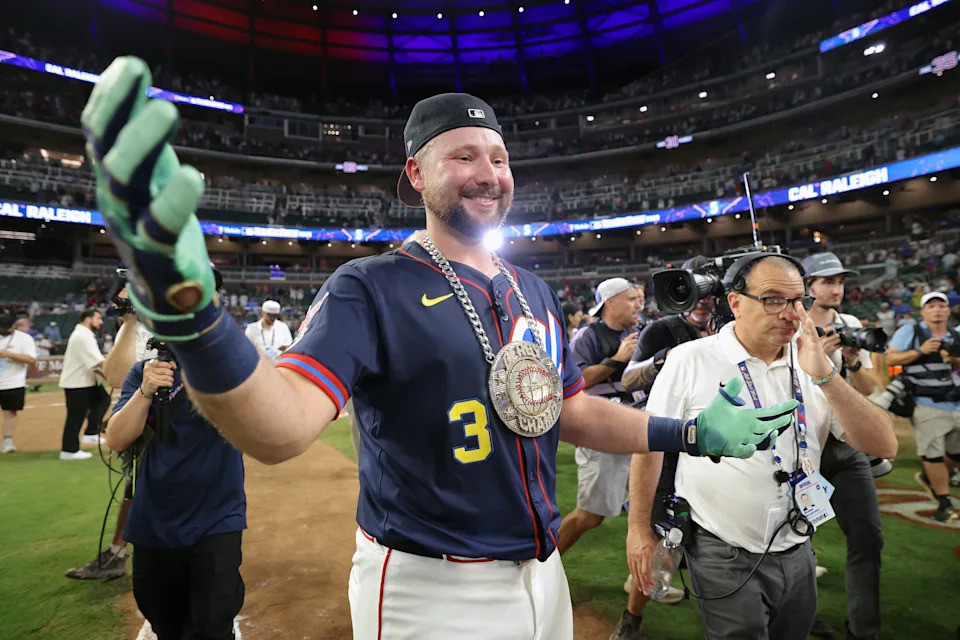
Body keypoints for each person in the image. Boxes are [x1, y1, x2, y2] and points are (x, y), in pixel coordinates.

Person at [82, 59, 797, 640]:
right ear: (417, 176)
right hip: (431, 588)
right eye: (463, 155)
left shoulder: (533, 291)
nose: (489, 171)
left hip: (544, 574)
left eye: (497, 155)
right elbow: (279, 428)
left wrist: (691, 432)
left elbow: (572, 413)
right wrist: (195, 321)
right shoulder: (369, 286)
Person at [627, 254, 898, 640]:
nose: (790, 313)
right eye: (773, 299)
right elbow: (647, 443)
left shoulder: (812, 363)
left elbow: (883, 444)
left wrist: (825, 375)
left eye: (797, 300)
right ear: (735, 302)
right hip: (722, 548)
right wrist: (638, 529)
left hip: (799, 544)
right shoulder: (691, 360)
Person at [104, 343, 246, 640]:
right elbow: (116, 439)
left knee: (213, 623)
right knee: (165, 621)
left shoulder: (231, 365)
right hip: (155, 517)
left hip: (218, 516)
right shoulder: (145, 372)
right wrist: (144, 391)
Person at [554, 278, 664, 640]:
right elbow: (577, 382)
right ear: (610, 302)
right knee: (591, 515)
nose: (638, 304)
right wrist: (616, 360)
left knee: (654, 513)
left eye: (640, 298)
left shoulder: (643, 332)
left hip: (640, 426)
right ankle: (544, 561)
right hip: (602, 428)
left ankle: (642, 580)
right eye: (632, 298)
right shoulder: (588, 336)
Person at [802, 251, 884, 640]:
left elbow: (869, 389)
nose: (836, 288)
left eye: (840, 281)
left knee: (868, 536)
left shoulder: (851, 324)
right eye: (827, 281)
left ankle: (863, 630)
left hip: (844, 444)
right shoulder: (792, 323)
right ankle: (800, 617)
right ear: (809, 285)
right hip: (802, 446)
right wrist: (819, 357)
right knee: (795, 539)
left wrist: (848, 362)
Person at [66, 289, 158, 580]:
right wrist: (130, 322)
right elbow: (116, 376)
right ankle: (118, 552)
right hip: (144, 418)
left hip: (187, 421)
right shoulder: (135, 327)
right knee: (136, 486)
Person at [886, 291, 960, 522]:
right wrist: (921, 350)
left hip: (956, 400)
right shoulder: (912, 331)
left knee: (956, 452)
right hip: (925, 401)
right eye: (931, 306)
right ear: (923, 311)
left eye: (941, 306)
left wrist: (954, 359)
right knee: (933, 452)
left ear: (948, 310)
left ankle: (932, 478)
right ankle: (944, 502)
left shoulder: (956, 335)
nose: (937, 310)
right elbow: (891, 358)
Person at [58, 308, 109, 460]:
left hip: (87, 381)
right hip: (77, 383)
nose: (101, 322)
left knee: (103, 400)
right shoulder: (82, 336)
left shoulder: (85, 334)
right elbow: (98, 362)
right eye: (98, 318)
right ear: (88, 319)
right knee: (75, 416)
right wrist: (115, 373)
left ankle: (91, 433)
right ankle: (69, 450)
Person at [0, 313, 38, 454]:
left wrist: (9, 354)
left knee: (10, 411)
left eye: (6, 328)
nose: (4, 330)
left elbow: (31, 359)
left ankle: (7, 441)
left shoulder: (24, 339)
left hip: (13, 382)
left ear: (14, 326)